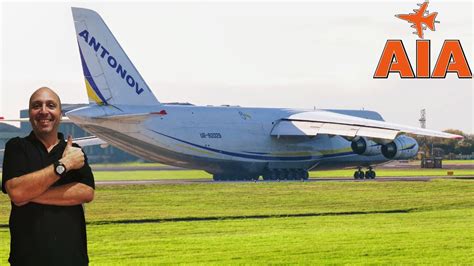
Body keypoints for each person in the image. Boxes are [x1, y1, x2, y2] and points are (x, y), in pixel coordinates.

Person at [2, 87, 95, 266]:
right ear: (30, 114)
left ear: (60, 114)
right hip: (26, 260)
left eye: (51, 105)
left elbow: (86, 193)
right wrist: (64, 165)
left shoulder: (74, 150)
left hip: (72, 260)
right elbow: (16, 191)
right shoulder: (17, 147)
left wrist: (28, 194)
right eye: (37, 106)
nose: (44, 111)